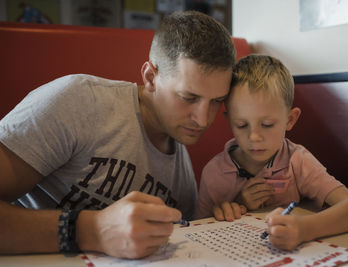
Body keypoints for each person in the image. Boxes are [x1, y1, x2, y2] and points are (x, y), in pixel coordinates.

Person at [0, 11, 235, 259]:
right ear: (151, 77)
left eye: (216, 102)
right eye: (189, 97)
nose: (203, 119)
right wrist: (93, 231)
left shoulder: (183, 180)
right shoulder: (77, 102)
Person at [196, 55, 348, 251]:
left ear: (290, 120)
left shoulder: (297, 161)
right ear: (229, 122)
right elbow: (194, 233)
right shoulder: (214, 174)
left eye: (267, 124)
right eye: (241, 125)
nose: (254, 137)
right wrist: (236, 206)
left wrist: (304, 229)